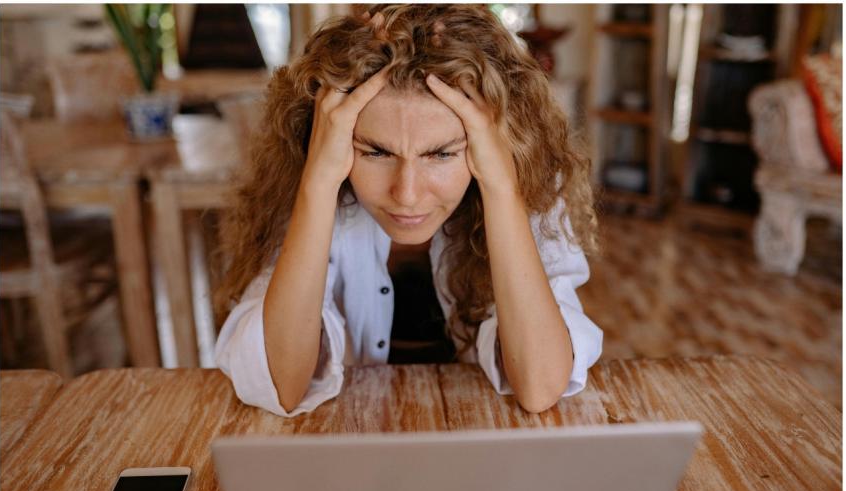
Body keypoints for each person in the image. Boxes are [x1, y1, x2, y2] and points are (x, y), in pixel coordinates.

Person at [214, 4, 603, 417]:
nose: (408, 195)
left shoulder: (525, 185)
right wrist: (318, 181)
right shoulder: (306, 183)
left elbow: (541, 386)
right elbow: (281, 386)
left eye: (440, 153)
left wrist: (502, 189)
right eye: (376, 151)